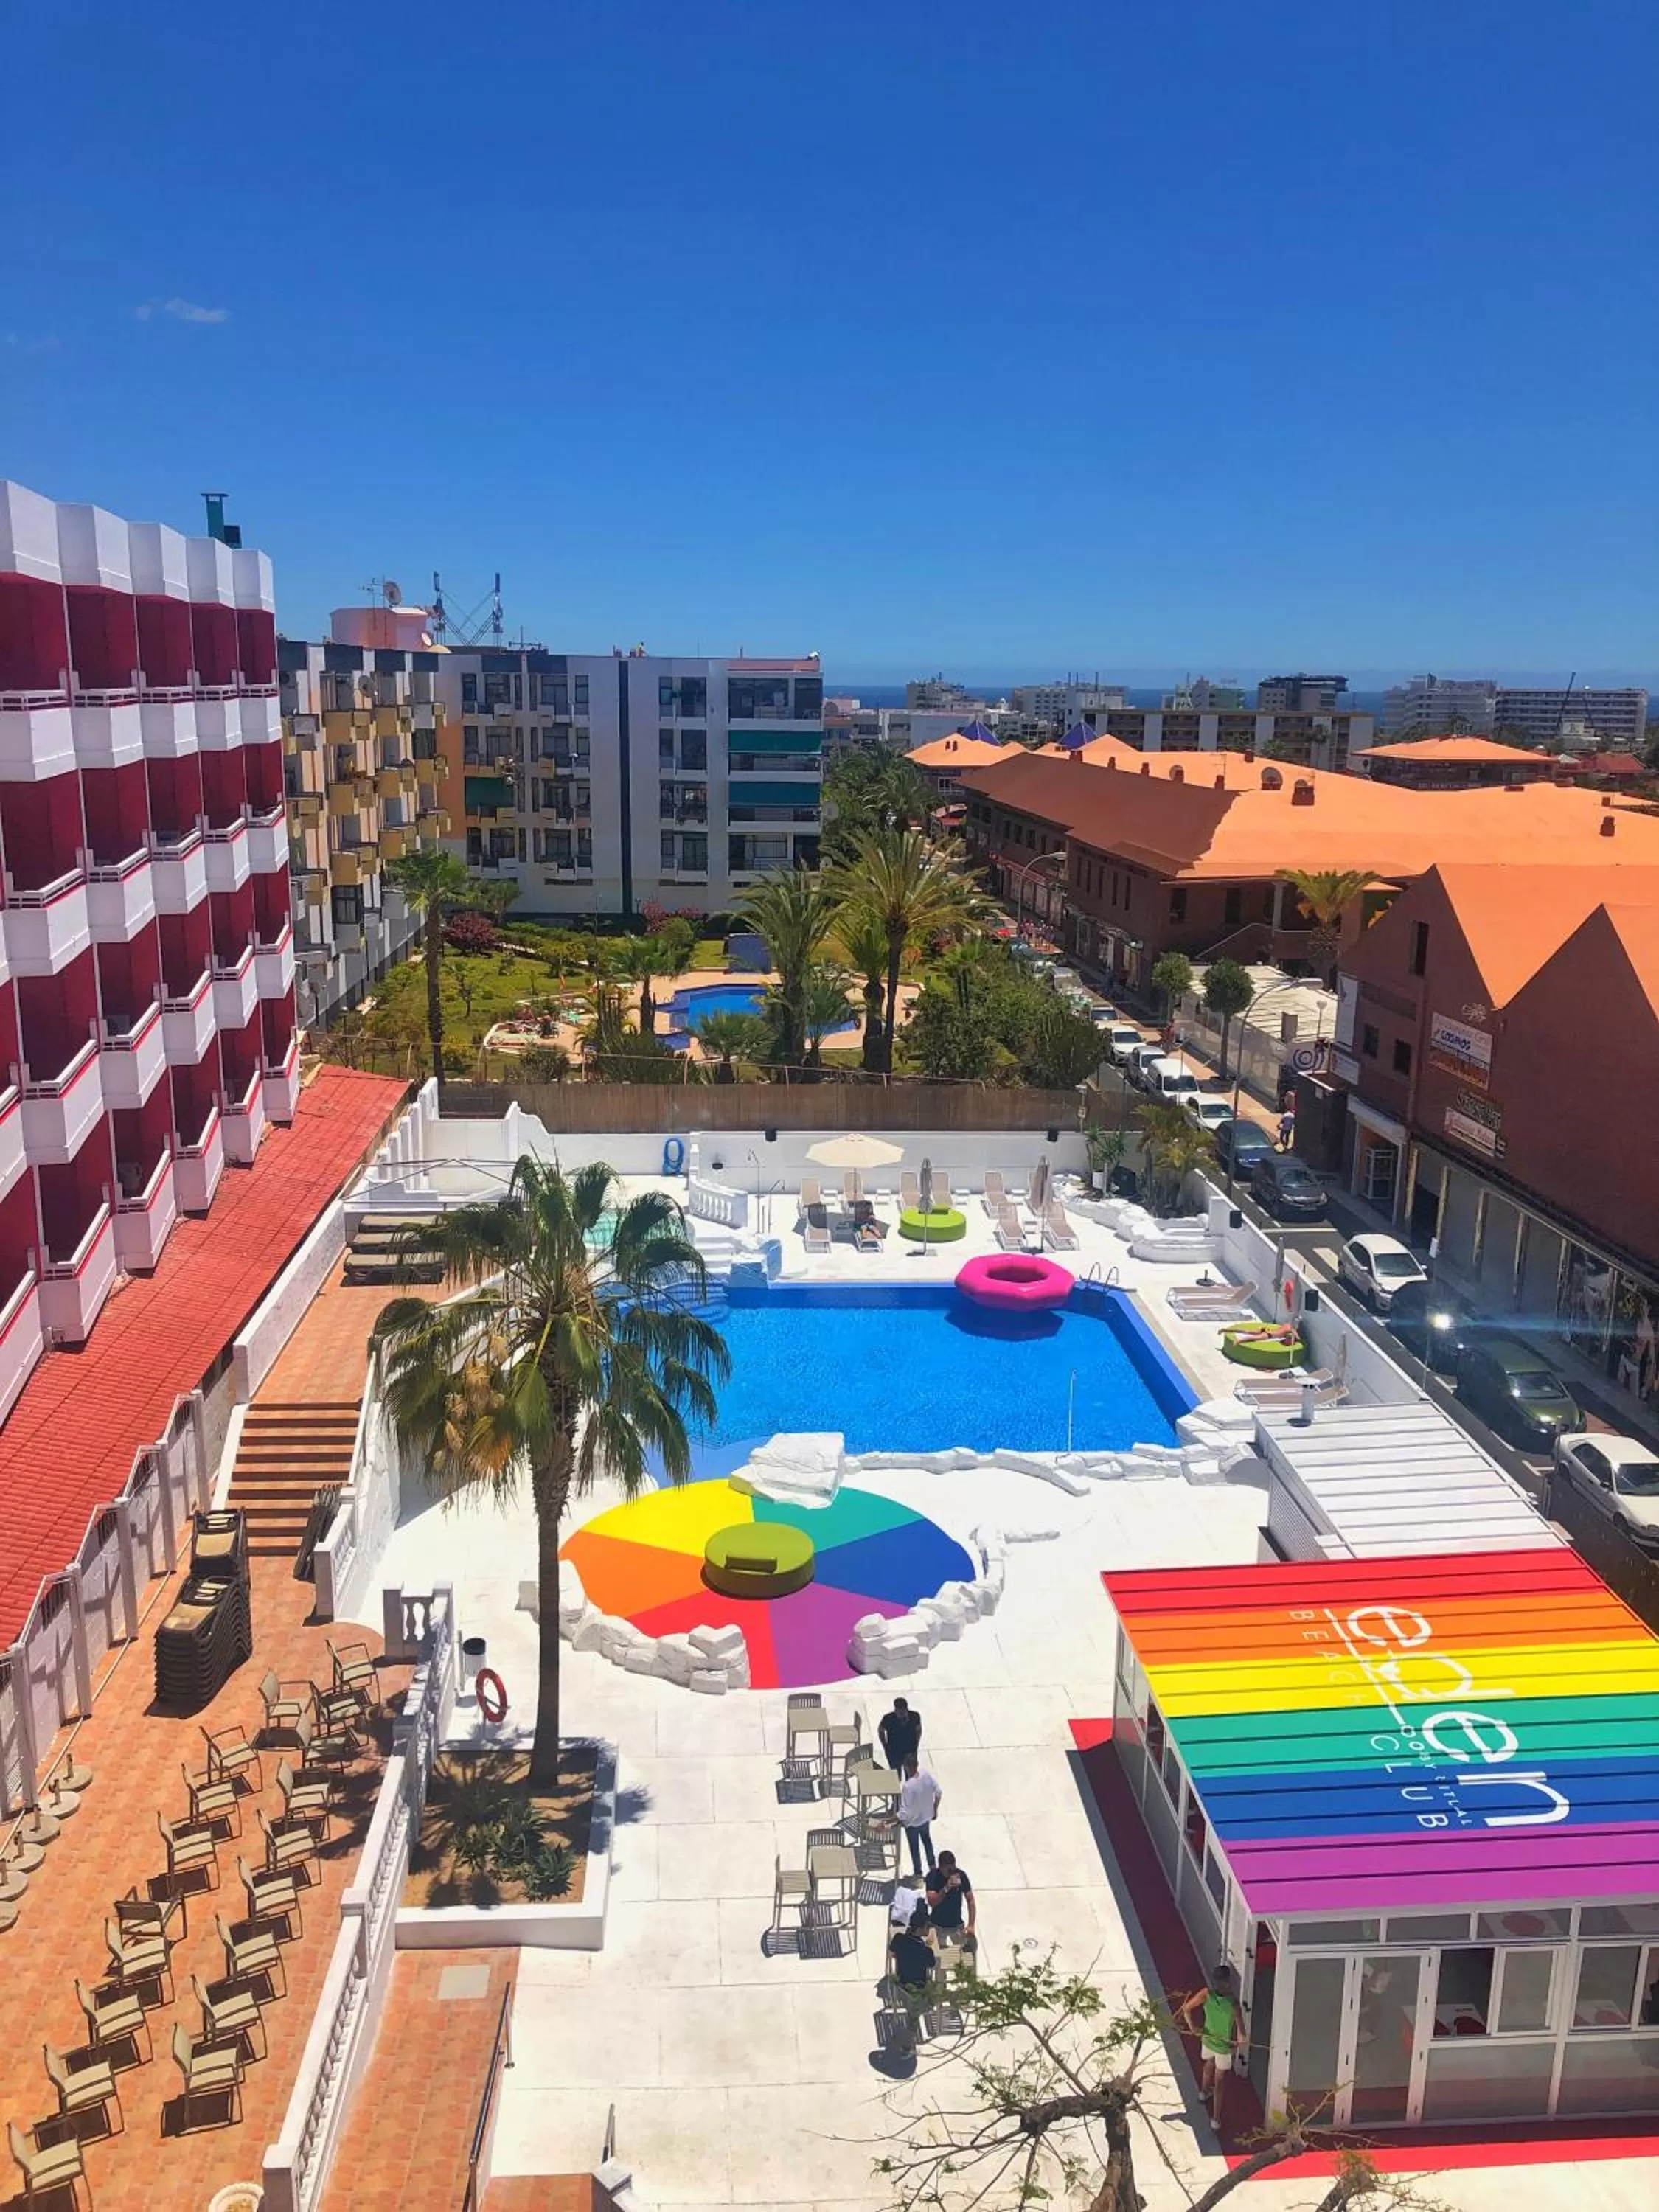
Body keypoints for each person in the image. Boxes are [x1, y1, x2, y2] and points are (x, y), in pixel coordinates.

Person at [1178, 1965, 1242, 2126]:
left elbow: (1186, 2009)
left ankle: (1203, 2092)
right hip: (1223, 2046)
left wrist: (1193, 2028)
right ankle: (1215, 2119)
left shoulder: (1206, 1994)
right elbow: (1242, 2034)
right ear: (1228, 1982)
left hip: (1207, 2039)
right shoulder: (1234, 2004)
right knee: (1219, 2080)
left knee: (1208, 2064)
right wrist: (1239, 2044)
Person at [897, 1756, 942, 1876]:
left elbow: (904, 1812)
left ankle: (918, 1873)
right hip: (926, 1819)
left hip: (913, 1824)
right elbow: (938, 1792)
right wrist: (935, 1809)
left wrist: (893, 1819)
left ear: (906, 1768)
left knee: (914, 1848)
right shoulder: (925, 1774)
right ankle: (933, 1869)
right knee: (927, 1842)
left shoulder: (907, 1786)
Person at [925, 1851, 975, 1939]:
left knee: (964, 1949)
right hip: (937, 1925)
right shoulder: (932, 1877)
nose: (952, 1872)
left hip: (957, 1925)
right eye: (949, 1870)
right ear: (941, 1867)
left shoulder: (961, 1875)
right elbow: (932, 1902)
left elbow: (970, 1900)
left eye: (954, 1868)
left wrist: (971, 1925)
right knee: (934, 1952)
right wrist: (946, 1888)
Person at [879, 1697, 922, 1773]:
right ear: (895, 1710)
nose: (901, 1714)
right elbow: (881, 1730)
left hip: (910, 1750)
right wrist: (885, 1745)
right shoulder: (888, 1719)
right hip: (894, 1751)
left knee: (911, 1775)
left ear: (906, 1709)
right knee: (896, 1776)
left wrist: (916, 1743)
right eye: (899, 1712)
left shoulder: (915, 1716)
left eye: (903, 1712)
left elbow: (918, 1730)